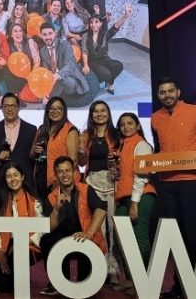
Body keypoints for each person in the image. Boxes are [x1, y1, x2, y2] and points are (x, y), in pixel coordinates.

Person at [151, 77, 196, 299]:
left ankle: (194, 286)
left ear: (178, 92)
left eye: (170, 91)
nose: (166, 95)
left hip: (192, 182)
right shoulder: (155, 118)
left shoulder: (195, 111)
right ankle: (179, 286)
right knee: (174, 237)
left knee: (192, 234)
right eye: (162, 92)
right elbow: (158, 150)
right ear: (158, 95)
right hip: (167, 184)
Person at [38, 156, 107, 296]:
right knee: (46, 239)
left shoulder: (86, 189)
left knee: (85, 289)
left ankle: (86, 282)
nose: (65, 175)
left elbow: (101, 210)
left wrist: (89, 233)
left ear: (74, 172)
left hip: (84, 238)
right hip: (62, 241)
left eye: (68, 170)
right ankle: (57, 282)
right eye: (60, 171)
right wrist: (56, 209)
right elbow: (49, 228)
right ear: (56, 174)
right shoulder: (51, 197)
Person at [77, 100, 122, 286]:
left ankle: (113, 269)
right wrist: (81, 153)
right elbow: (81, 163)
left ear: (108, 113)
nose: (99, 114)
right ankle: (100, 268)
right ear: (91, 115)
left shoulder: (117, 134)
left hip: (111, 183)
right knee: (97, 229)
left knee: (112, 229)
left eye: (103, 111)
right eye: (95, 111)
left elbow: (122, 161)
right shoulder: (86, 135)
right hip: (92, 183)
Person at [113, 112, 156, 294]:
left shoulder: (142, 145)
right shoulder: (122, 146)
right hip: (124, 197)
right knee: (122, 239)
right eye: (122, 124)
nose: (126, 127)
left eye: (130, 123)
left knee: (140, 239)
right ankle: (131, 279)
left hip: (140, 197)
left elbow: (142, 175)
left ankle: (144, 282)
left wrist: (134, 202)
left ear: (138, 126)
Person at [0, 162, 44, 293]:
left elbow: (41, 228)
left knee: (16, 286)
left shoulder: (33, 200)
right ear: (5, 180)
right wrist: (2, 257)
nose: (13, 179)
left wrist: (23, 243)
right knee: (4, 287)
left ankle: (20, 276)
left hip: (27, 245)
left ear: (22, 177)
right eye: (9, 176)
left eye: (16, 175)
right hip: (3, 245)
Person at [31, 97, 79, 198]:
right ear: (47, 111)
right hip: (41, 178)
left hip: (60, 182)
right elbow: (31, 155)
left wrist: (59, 181)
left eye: (59, 108)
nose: (55, 111)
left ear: (64, 111)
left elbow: (73, 161)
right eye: (52, 108)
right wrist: (34, 151)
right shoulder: (41, 129)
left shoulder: (70, 130)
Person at [82, 5, 132, 96]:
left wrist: (125, 16)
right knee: (106, 74)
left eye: (96, 22)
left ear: (101, 24)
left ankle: (110, 82)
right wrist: (85, 65)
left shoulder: (104, 34)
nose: (93, 25)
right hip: (93, 61)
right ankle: (103, 80)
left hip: (104, 58)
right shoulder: (85, 35)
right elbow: (84, 51)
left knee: (119, 66)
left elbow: (115, 27)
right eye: (91, 23)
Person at [0, 92, 37, 190]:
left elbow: (34, 158)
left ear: (18, 108)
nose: (10, 109)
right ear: (2, 108)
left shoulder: (31, 129)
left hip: (25, 182)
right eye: (6, 106)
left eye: (13, 106)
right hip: (2, 183)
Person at [39, 22, 89, 98]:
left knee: (65, 81)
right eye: (44, 35)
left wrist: (57, 76)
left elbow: (69, 65)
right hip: (53, 80)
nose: (48, 37)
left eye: (50, 33)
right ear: (41, 36)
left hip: (69, 77)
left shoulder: (65, 44)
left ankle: (52, 96)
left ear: (55, 33)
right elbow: (45, 69)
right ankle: (52, 95)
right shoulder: (43, 51)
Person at [5, 23, 41, 98]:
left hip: (32, 71)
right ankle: (14, 96)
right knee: (7, 72)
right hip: (20, 74)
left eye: (20, 31)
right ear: (11, 35)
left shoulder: (30, 42)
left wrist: (30, 76)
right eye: (15, 31)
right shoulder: (9, 46)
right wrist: (25, 76)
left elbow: (37, 62)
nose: (18, 33)